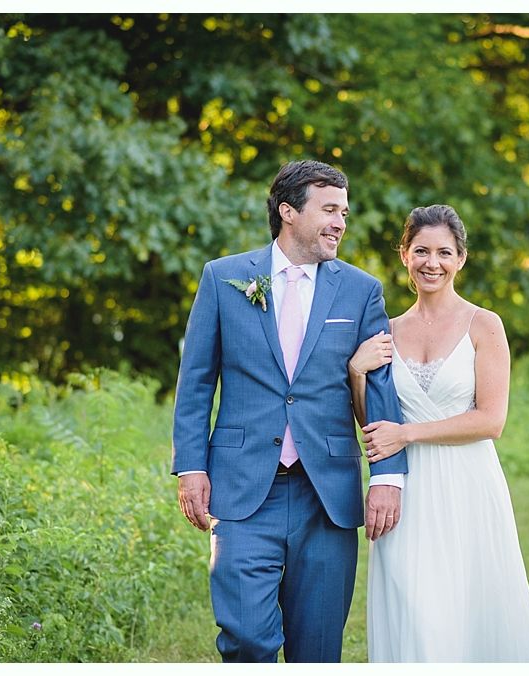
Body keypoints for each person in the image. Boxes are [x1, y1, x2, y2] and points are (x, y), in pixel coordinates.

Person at [171, 160, 408, 663]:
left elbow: (380, 386)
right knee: (246, 639)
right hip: (241, 487)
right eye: (329, 210)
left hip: (326, 493)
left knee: (317, 648)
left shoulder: (361, 289)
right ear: (288, 212)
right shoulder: (224, 278)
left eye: (344, 212)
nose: (341, 222)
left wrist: (387, 475)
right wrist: (191, 467)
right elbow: (195, 383)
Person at [348, 204, 529, 662]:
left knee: (468, 606)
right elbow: (374, 425)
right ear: (404, 255)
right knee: (414, 606)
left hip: (467, 484)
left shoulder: (485, 325)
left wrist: (408, 434)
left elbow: (490, 420)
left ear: (460, 258)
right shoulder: (386, 331)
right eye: (420, 250)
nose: (431, 262)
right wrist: (356, 373)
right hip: (404, 488)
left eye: (443, 252)